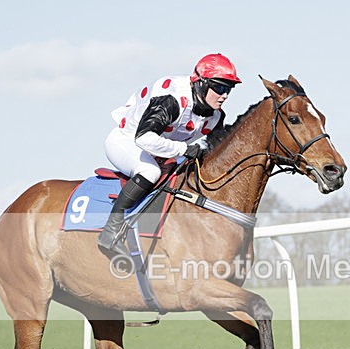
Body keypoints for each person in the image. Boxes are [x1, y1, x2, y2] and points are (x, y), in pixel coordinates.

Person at [98, 53, 242, 255]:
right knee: (150, 171)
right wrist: (183, 149)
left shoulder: (216, 115)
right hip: (127, 141)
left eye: (229, 89)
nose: (224, 95)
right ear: (200, 83)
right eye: (219, 87)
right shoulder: (172, 100)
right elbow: (144, 139)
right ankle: (110, 230)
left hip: (161, 149)